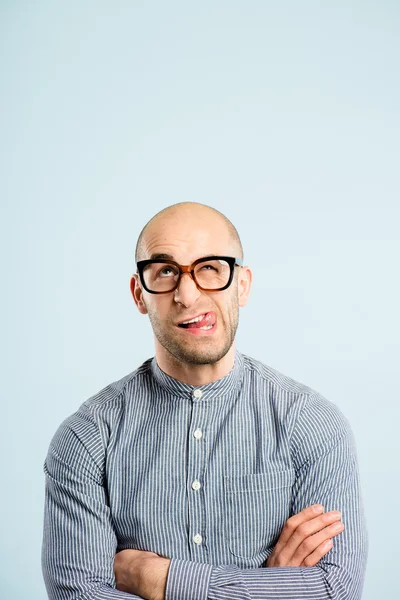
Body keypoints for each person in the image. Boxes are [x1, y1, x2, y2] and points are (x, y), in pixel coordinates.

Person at [42, 202, 368, 600]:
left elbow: (335, 589)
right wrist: (270, 587)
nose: (187, 293)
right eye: (165, 272)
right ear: (139, 294)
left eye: (210, 268)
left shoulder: (313, 424)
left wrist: (157, 578)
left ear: (243, 284)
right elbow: (79, 595)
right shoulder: (86, 439)